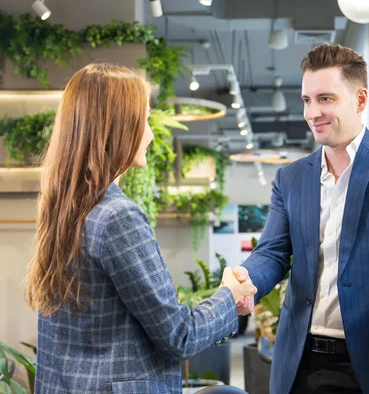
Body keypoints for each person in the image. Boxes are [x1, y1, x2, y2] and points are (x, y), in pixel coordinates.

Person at [24, 63, 256, 394]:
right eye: (144, 120)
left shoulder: (63, 211)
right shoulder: (118, 217)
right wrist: (229, 296)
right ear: (118, 127)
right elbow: (179, 336)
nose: (149, 133)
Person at [237, 44, 369, 394]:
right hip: (297, 362)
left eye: (325, 99)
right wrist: (247, 281)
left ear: (360, 100)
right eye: (306, 100)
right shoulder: (290, 178)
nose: (312, 112)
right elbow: (271, 254)